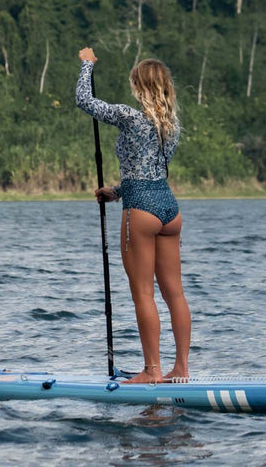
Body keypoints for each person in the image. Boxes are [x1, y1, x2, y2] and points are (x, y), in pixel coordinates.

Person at [76, 47, 191, 384]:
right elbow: (149, 169)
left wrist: (87, 64)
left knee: (143, 292)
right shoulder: (171, 126)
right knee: (175, 294)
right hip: (169, 209)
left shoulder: (130, 116)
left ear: (139, 87)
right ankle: (181, 368)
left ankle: (152, 371)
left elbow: (85, 101)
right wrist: (116, 191)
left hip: (141, 210)